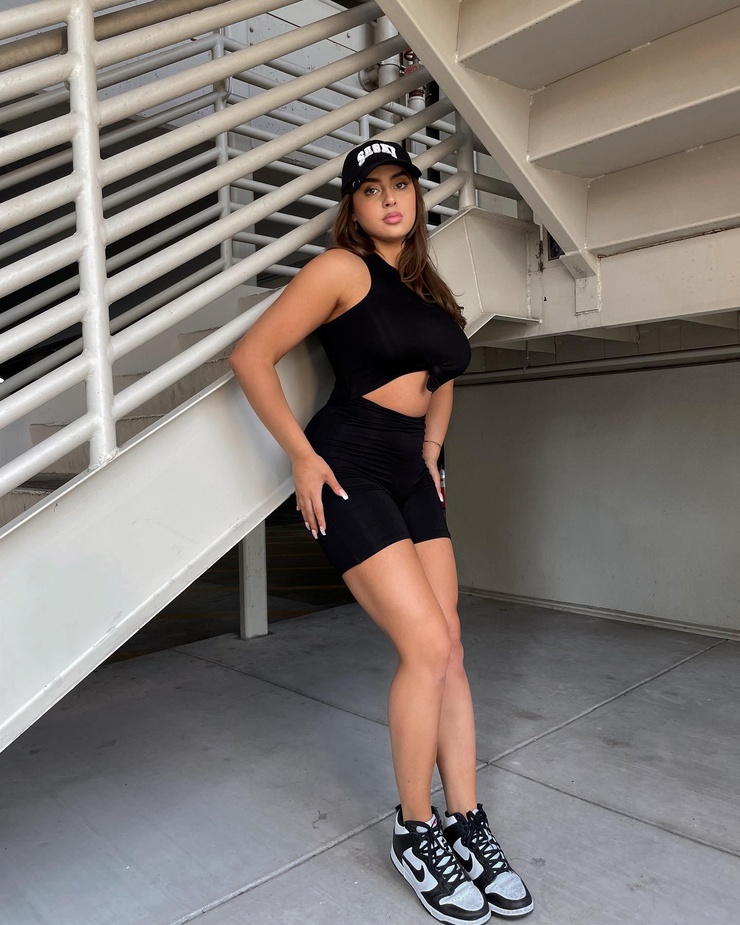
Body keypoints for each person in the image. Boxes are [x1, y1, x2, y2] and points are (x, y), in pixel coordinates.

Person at [228, 140, 533, 923]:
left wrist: (432, 448)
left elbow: (443, 376)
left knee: (451, 645)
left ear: (416, 197)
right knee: (424, 646)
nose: (391, 199)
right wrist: (301, 455)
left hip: (409, 470)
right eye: (372, 189)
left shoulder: (429, 290)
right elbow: (252, 356)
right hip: (351, 463)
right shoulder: (341, 269)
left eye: (401, 184)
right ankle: (415, 828)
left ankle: (466, 820)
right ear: (353, 206)